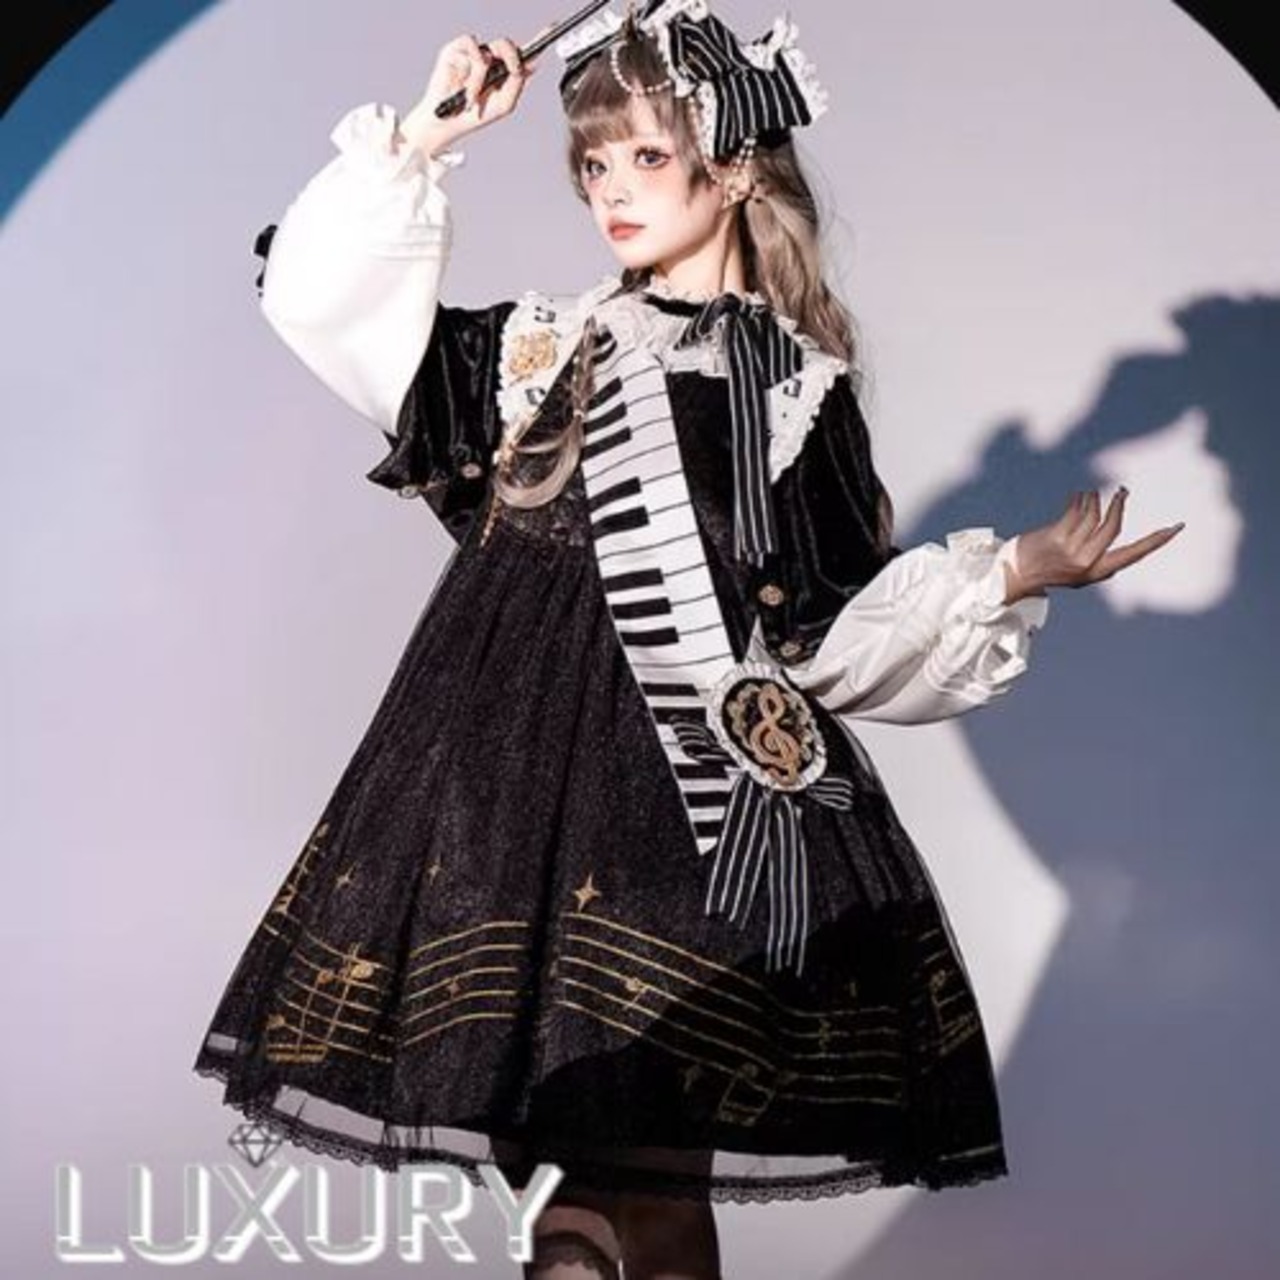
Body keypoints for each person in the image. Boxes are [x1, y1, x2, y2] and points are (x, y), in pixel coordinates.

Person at [193, 3, 1183, 1277]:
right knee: (563, 1199)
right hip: (500, 811)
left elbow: (827, 633)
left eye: (645, 157)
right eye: (591, 163)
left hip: (683, 830)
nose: (609, 189)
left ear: (733, 170)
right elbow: (318, 295)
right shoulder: (533, 350)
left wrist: (1008, 572)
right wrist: (428, 135)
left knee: (644, 1195)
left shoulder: (791, 388)